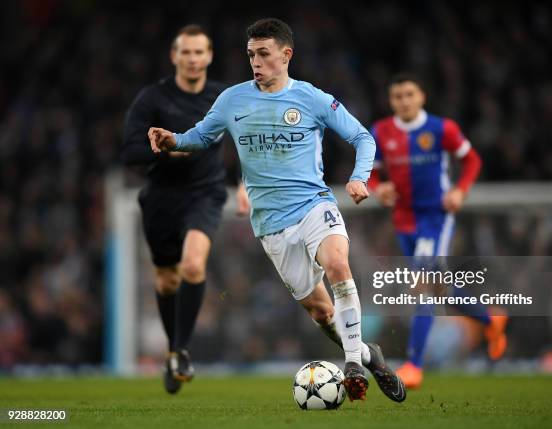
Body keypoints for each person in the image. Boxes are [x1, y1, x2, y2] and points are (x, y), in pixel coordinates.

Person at [147, 18, 406, 403]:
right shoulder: (233, 100)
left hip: (314, 205)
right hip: (271, 225)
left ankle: (352, 364)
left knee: (338, 264)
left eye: (264, 54)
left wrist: (359, 177)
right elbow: (201, 137)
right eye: (251, 54)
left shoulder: (311, 98)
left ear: (286, 55)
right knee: (321, 313)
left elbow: (361, 137)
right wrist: (173, 141)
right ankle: (370, 356)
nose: (256, 61)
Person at [121, 24, 249, 394]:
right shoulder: (152, 99)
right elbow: (129, 152)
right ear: (174, 56)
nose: (193, 59)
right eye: (186, 52)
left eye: (199, 52)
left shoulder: (223, 97)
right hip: (161, 197)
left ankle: (179, 351)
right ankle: (175, 351)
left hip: (205, 194)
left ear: (209, 56)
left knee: (192, 265)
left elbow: (248, 140)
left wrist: (245, 182)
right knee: (167, 280)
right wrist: (165, 150)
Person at [369, 73, 508, 389]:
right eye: (397, 96)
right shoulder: (381, 132)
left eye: (409, 94)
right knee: (439, 287)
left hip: (436, 217)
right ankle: (489, 319)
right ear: (391, 101)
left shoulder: (441, 128)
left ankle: (414, 365)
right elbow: (370, 175)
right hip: (404, 221)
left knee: (424, 285)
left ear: (421, 97)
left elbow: (472, 160)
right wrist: (379, 190)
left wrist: (460, 190)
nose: (403, 101)